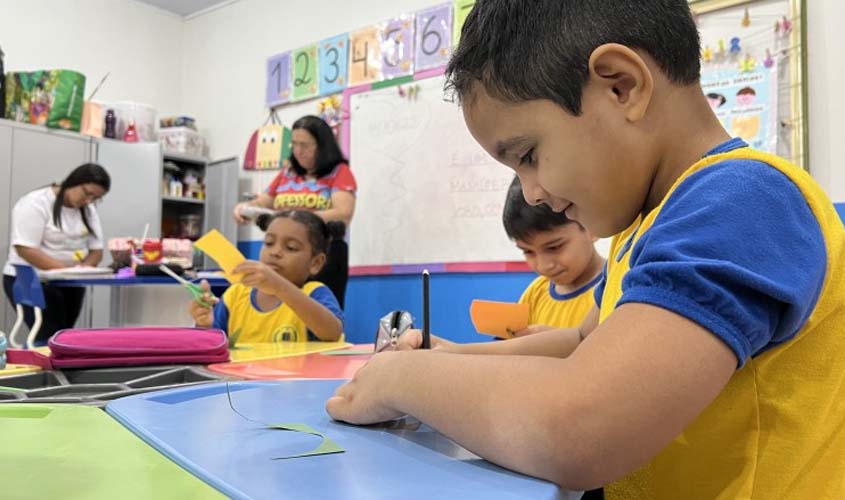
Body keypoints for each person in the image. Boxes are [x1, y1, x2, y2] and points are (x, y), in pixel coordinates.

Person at [325, 1, 845, 499]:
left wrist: (405, 379)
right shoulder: (643, 225)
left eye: (528, 155)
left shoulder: (740, 201)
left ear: (621, 85)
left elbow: (584, 427)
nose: (530, 192)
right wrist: (457, 355)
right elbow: (580, 341)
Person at [233, 115, 356, 308]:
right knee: (280, 308)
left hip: (323, 254)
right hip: (284, 253)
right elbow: (264, 203)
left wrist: (297, 219)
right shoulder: (288, 173)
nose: (298, 151)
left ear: (322, 145)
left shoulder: (338, 171)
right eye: (295, 144)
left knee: (318, 310)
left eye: (306, 145)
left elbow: (343, 213)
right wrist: (244, 209)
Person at [191, 209, 343, 343]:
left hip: (295, 376)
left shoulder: (314, 293)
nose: (275, 252)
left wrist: (279, 286)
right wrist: (204, 324)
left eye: (291, 247)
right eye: (269, 243)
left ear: (316, 263)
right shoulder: (235, 296)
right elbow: (213, 346)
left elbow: (333, 333)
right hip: (239, 376)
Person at [3, 163, 111, 343]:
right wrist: (66, 270)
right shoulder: (35, 203)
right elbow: (25, 249)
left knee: (64, 337)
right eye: (87, 194)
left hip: (68, 281)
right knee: (48, 335)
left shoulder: (88, 210)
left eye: (96, 198)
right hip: (28, 278)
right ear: (74, 181)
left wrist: (85, 268)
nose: (89, 201)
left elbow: (96, 251)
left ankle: (59, 369)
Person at [503, 176, 604, 335]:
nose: (543, 266)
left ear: (592, 228)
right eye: (528, 252)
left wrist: (555, 344)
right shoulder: (535, 293)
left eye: (554, 247)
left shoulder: (618, 286)